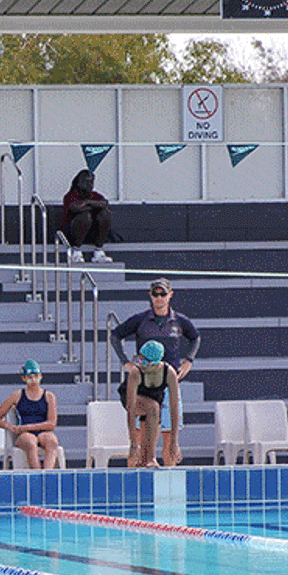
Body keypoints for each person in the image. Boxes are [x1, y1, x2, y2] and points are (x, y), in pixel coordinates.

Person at [111, 278, 200, 466]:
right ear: (150, 296)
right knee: (140, 436)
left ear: (170, 295)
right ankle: (138, 472)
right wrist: (126, 362)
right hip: (144, 385)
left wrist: (189, 361)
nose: (159, 298)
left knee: (169, 437)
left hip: (165, 382)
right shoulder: (141, 320)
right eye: (155, 294)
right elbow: (116, 335)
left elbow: (195, 337)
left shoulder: (179, 322)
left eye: (163, 294)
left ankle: (169, 480)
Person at [118, 340, 181, 468]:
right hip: (133, 397)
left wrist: (174, 442)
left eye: (146, 362)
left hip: (154, 399)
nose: (143, 365)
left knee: (152, 421)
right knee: (153, 408)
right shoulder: (136, 372)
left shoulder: (169, 372)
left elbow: (174, 409)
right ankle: (150, 458)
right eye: (140, 361)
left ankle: (145, 460)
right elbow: (131, 409)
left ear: (157, 362)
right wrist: (133, 445)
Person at [0, 359, 61, 469]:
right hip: (24, 434)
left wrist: (27, 427)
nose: (33, 380)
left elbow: (52, 424)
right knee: (31, 442)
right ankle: (37, 475)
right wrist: (10, 426)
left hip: (41, 432)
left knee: (52, 442)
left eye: (36, 376)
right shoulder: (17, 395)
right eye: (29, 377)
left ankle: (48, 474)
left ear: (41, 376)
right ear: (24, 378)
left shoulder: (49, 396)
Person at [59, 169, 112, 264]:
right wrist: (93, 206)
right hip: (72, 234)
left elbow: (104, 204)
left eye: (91, 182)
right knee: (85, 216)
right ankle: (76, 251)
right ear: (78, 182)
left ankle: (98, 251)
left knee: (104, 214)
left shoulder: (94, 195)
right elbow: (75, 207)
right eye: (86, 181)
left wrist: (87, 202)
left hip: (91, 233)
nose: (89, 184)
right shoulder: (71, 195)